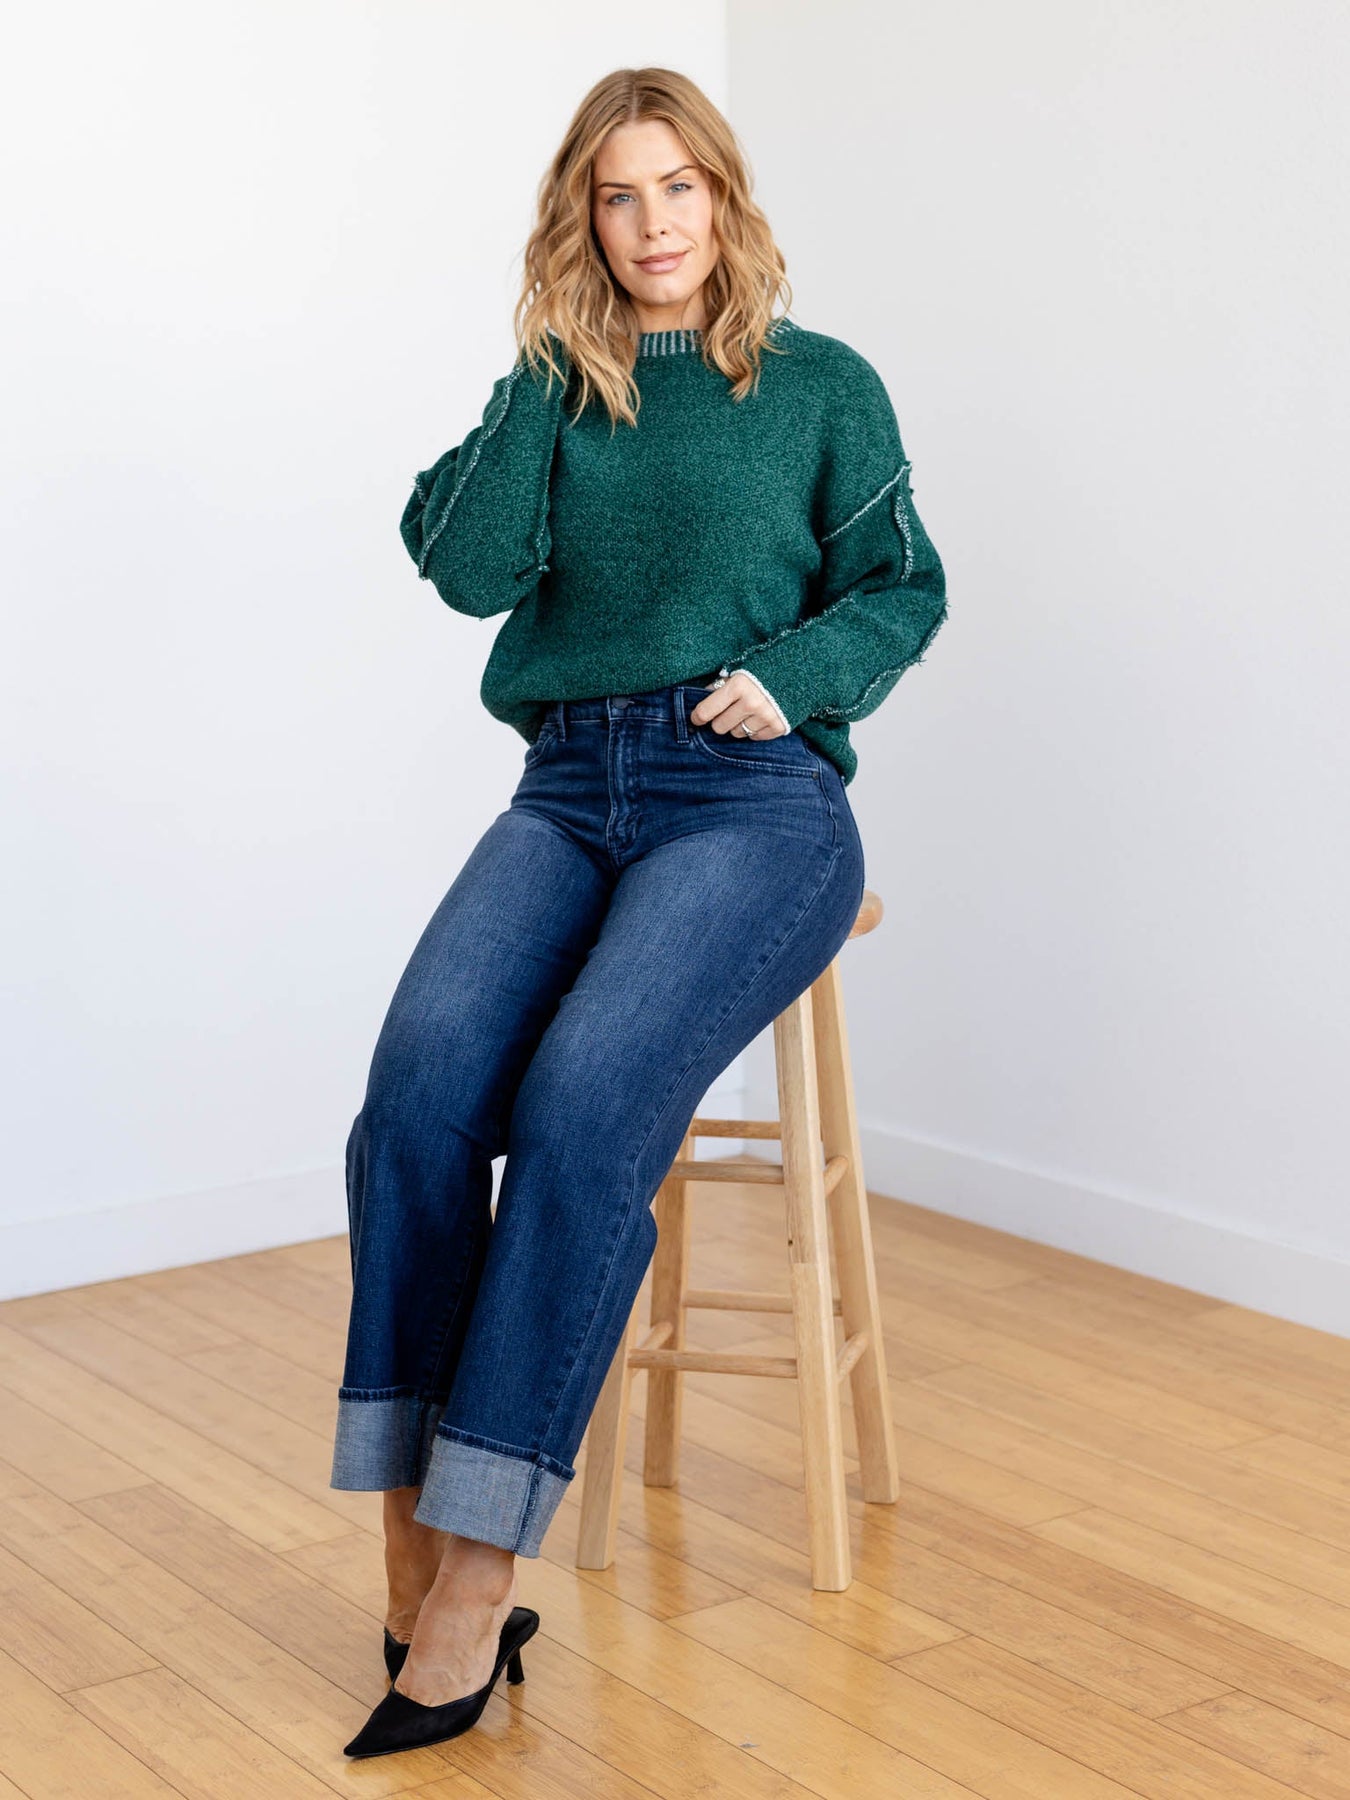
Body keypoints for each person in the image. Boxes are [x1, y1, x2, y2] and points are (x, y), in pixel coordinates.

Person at [333, 65, 948, 1758]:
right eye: (617, 195)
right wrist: (546, 359)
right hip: (566, 784)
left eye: (679, 186)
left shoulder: (820, 385)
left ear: (723, 198)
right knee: (414, 1098)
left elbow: (902, 584)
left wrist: (795, 677)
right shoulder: (558, 383)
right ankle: (406, 1536)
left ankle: (474, 1583)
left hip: (750, 799)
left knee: (585, 1105)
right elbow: (465, 567)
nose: (653, 221)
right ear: (580, 220)